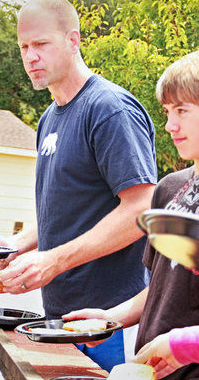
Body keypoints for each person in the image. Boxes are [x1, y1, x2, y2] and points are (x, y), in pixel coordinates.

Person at [0, 0, 157, 371]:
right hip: (59, 317)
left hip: (111, 319)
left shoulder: (108, 110)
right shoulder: (49, 119)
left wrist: (53, 260)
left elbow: (142, 208)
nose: (30, 57)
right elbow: (73, 208)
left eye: (40, 44)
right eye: (23, 46)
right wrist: (17, 244)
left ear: (73, 41)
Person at [62, 50, 199, 379]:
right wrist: (111, 319)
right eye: (167, 111)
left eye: (182, 110)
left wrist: (180, 344)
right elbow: (162, 286)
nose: (169, 125)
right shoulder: (168, 189)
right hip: (150, 369)